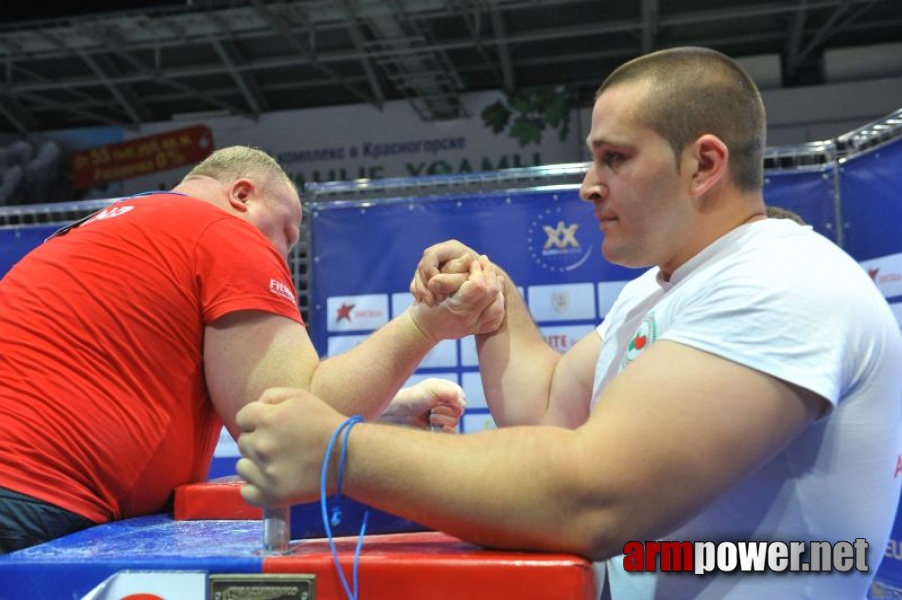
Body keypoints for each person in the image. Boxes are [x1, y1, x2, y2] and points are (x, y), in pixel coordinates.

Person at [234, 47, 902, 599]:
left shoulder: (780, 283)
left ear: (703, 164)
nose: (588, 183)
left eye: (615, 158)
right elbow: (547, 408)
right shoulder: (661, 288)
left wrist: (341, 452)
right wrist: (492, 299)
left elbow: (592, 500)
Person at [0, 146, 504, 553]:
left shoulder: (92, 233)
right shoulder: (223, 231)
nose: (283, 253)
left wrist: (389, 405)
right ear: (242, 195)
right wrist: (426, 324)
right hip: (29, 501)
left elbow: (245, 389)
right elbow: (291, 418)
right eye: (286, 234)